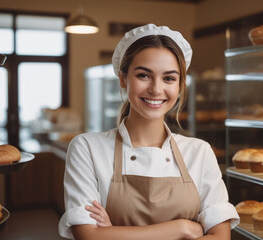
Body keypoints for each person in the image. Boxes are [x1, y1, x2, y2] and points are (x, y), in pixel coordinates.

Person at [58, 23, 239, 240]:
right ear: (123, 77)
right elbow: (89, 236)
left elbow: (221, 237)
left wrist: (113, 233)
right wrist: (182, 228)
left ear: (180, 85)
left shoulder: (200, 152)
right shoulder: (86, 148)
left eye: (169, 78)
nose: (156, 89)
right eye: (143, 75)